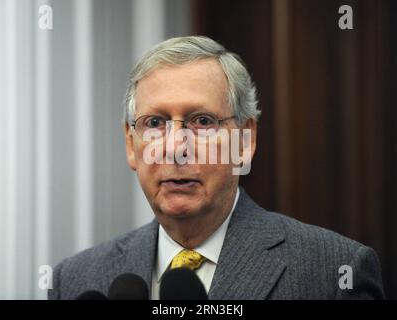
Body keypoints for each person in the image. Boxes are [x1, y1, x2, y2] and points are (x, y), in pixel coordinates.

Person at [49, 36, 384, 300]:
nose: (175, 148)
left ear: (245, 140)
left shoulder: (334, 272)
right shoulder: (76, 280)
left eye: (203, 121)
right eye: (154, 122)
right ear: (130, 144)